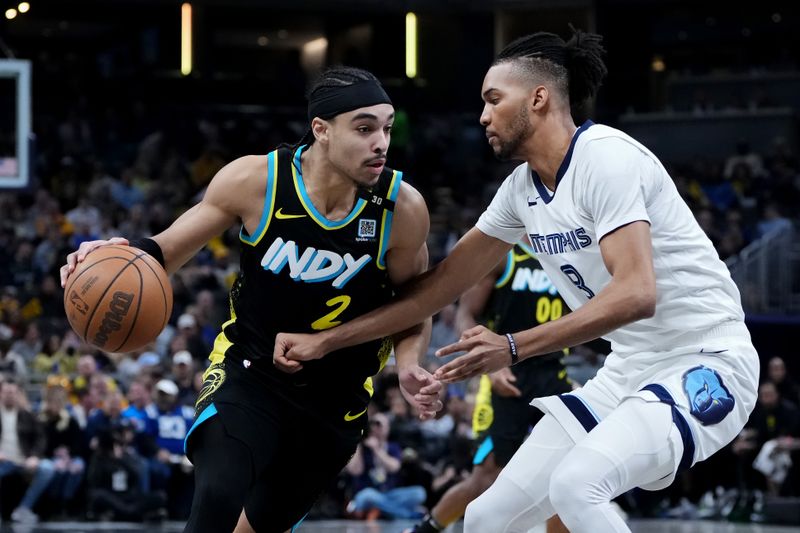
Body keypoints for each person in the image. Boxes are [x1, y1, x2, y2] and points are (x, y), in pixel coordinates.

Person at [274, 29, 760, 533]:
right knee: (487, 517)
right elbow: (436, 289)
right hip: (631, 367)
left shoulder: (606, 158)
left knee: (577, 486)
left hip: (707, 358)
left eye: (492, 99)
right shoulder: (519, 192)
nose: (483, 115)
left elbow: (636, 293)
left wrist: (511, 346)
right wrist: (327, 340)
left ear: (539, 98)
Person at [60, 66, 443, 533]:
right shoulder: (256, 180)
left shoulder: (402, 210)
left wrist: (407, 365)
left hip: (335, 400)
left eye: (385, 127)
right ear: (321, 130)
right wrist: (107, 253)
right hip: (250, 372)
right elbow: (162, 251)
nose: (381, 142)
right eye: (364, 129)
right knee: (218, 496)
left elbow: (415, 306)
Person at [405, 242, 571, 533]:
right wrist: (489, 365)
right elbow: (464, 316)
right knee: (486, 477)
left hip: (552, 373)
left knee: (566, 471)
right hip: (505, 373)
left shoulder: (570, 256)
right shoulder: (506, 256)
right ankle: (425, 530)